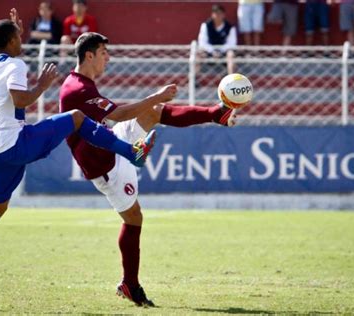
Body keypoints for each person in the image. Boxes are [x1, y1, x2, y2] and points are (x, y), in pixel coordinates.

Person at [0, 9, 156, 297]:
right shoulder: (16, 65)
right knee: (78, 117)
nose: (23, 39)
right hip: (14, 141)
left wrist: (9, 32)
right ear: (9, 42)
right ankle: (131, 153)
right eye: (19, 36)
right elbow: (20, 98)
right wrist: (42, 86)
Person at [59, 32, 241, 307]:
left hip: (112, 142)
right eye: (104, 52)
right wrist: (155, 94)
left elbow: (115, 117)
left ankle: (215, 113)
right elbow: (118, 114)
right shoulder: (77, 89)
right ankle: (130, 285)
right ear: (89, 55)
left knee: (154, 111)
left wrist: (154, 100)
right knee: (134, 218)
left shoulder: (82, 84)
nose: (108, 57)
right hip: (106, 166)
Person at [197, 4, 237, 75]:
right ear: (212, 14)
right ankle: (193, 79)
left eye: (220, 13)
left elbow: (231, 44)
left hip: (224, 53)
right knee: (198, 54)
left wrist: (220, 51)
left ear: (223, 15)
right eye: (215, 13)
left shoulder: (230, 27)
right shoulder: (206, 25)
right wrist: (213, 51)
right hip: (209, 52)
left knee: (231, 54)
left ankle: (231, 79)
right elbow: (202, 42)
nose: (218, 15)